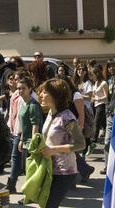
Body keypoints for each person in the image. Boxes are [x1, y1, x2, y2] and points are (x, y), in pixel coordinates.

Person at [38, 79, 85, 207]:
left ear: (55, 95)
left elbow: (81, 144)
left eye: (45, 92)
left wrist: (54, 149)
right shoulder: (50, 113)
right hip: (49, 169)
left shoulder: (67, 117)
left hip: (65, 172)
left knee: (49, 205)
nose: (41, 95)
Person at [102, 59, 115, 175]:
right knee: (107, 141)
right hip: (110, 115)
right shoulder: (109, 81)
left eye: (113, 66)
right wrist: (107, 110)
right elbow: (108, 98)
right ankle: (107, 166)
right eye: (109, 67)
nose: (111, 69)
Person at [90, 65, 108, 152]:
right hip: (96, 105)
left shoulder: (103, 83)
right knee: (103, 123)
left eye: (93, 74)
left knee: (96, 123)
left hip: (102, 105)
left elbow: (106, 96)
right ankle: (108, 138)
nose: (92, 76)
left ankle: (93, 141)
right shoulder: (95, 83)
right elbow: (94, 94)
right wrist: (93, 98)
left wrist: (97, 99)